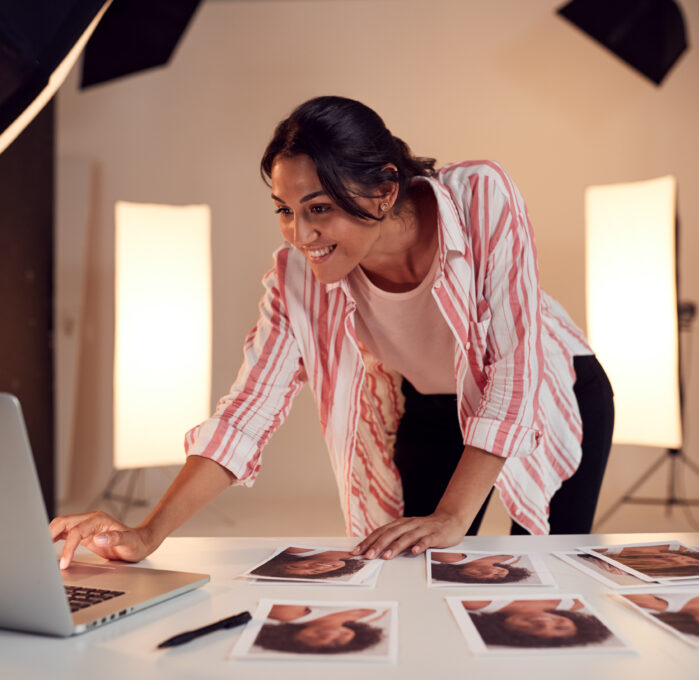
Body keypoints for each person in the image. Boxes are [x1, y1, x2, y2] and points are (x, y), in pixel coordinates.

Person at [50, 95, 614, 569]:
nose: (301, 233)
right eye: (284, 210)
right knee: (411, 573)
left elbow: (514, 369)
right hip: (433, 405)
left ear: (384, 189)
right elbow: (247, 411)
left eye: (317, 207)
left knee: (542, 577)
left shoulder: (480, 197)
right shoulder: (296, 277)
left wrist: (454, 517)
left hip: (551, 393)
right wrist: (146, 535)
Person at [463, 599, 612, 648]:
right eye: (560, 627)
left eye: (533, 629)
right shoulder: (577, 602)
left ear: (505, 630)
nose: (546, 623)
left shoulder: (472, 603)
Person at [254, 605, 386, 654]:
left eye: (310, 639)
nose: (328, 637)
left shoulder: (287, 613)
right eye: (336, 643)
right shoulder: (372, 618)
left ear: (290, 635)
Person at [594, 544, 699, 578]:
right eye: (693, 561)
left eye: (687, 565)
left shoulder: (614, 569)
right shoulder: (668, 546)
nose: (681, 559)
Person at [250, 547, 367, 580]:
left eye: (294, 566)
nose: (319, 566)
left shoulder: (297, 549)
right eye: (316, 572)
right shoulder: (356, 562)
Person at [430, 552, 532, 584]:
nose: (501, 573)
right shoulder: (511, 560)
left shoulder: (450, 558)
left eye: (495, 576)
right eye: (505, 575)